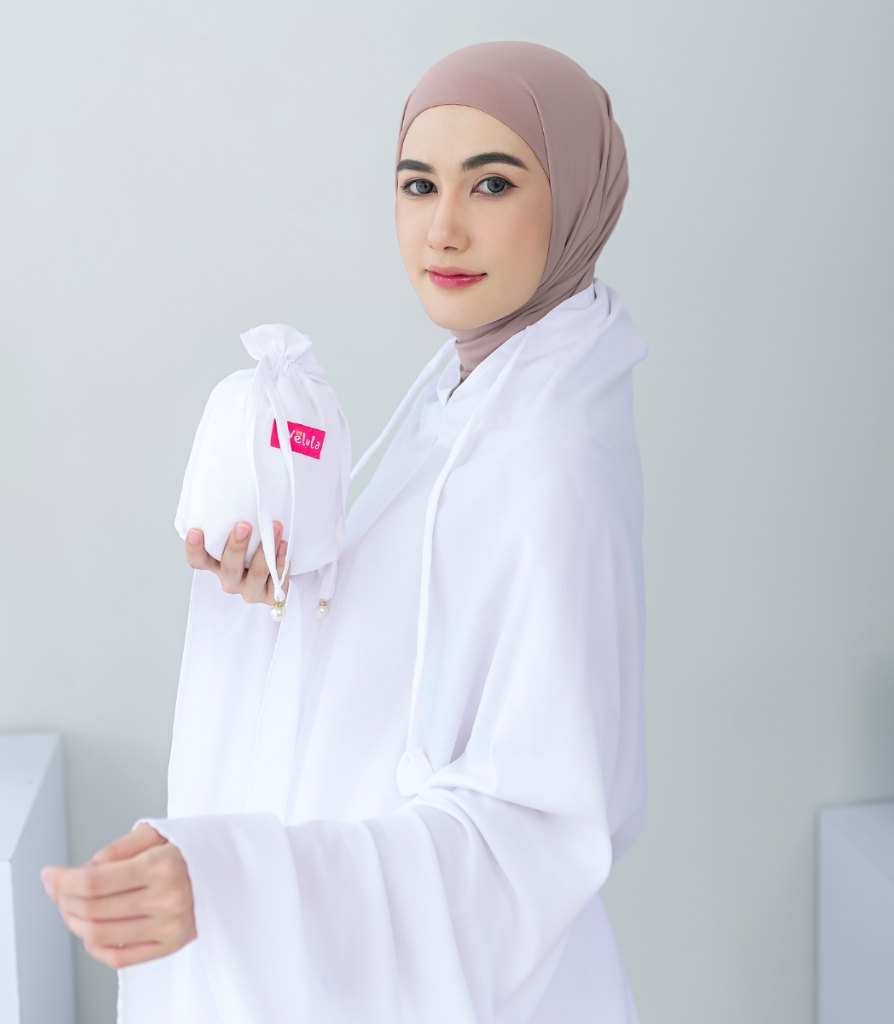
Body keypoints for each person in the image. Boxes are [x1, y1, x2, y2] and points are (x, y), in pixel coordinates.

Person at [43, 40, 648, 1023]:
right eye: (418, 185)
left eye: (492, 184)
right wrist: (281, 594)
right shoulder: (476, 390)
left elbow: (533, 835)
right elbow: (426, 677)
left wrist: (235, 882)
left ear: (576, 196)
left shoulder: (548, 455)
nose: (442, 228)